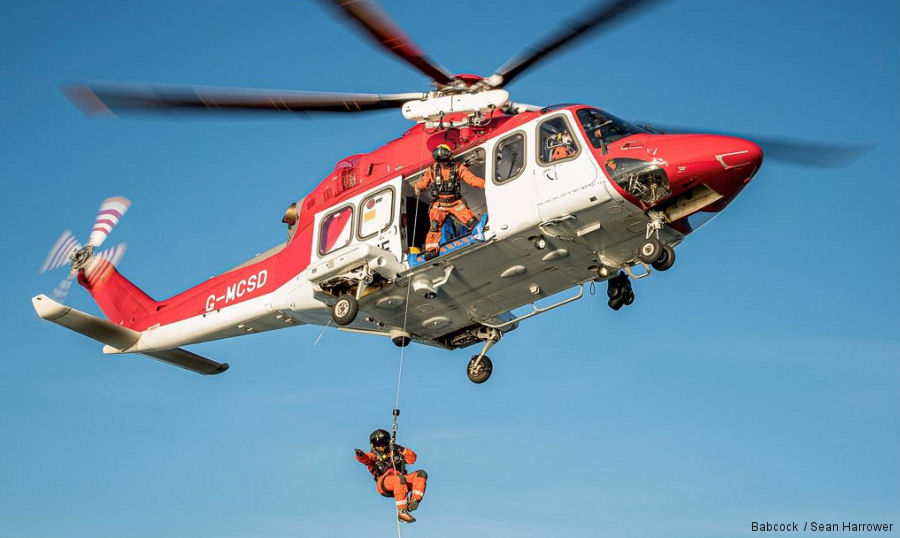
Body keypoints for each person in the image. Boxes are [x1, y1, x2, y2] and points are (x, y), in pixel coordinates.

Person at [414, 144, 485, 260]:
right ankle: (431, 250)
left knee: (471, 220)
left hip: (455, 202)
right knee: (435, 225)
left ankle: (479, 233)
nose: (443, 163)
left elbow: (472, 180)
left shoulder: (458, 168)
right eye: (440, 161)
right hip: (439, 204)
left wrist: (486, 184)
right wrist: (418, 187)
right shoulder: (432, 170)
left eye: (444, 161)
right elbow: (423, 182)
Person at [354, 429, 428, 524]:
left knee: (421, 474)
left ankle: (414, 501)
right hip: (384, 483)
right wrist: (360, 455)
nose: (380, 446)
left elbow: (412, 459)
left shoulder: (395, 453)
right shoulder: (374, 455)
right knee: (398, 479)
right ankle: (402, 511)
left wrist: (400, 449)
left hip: (402, 483)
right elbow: (366, 458)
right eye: (377, 444)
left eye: (383, 443)